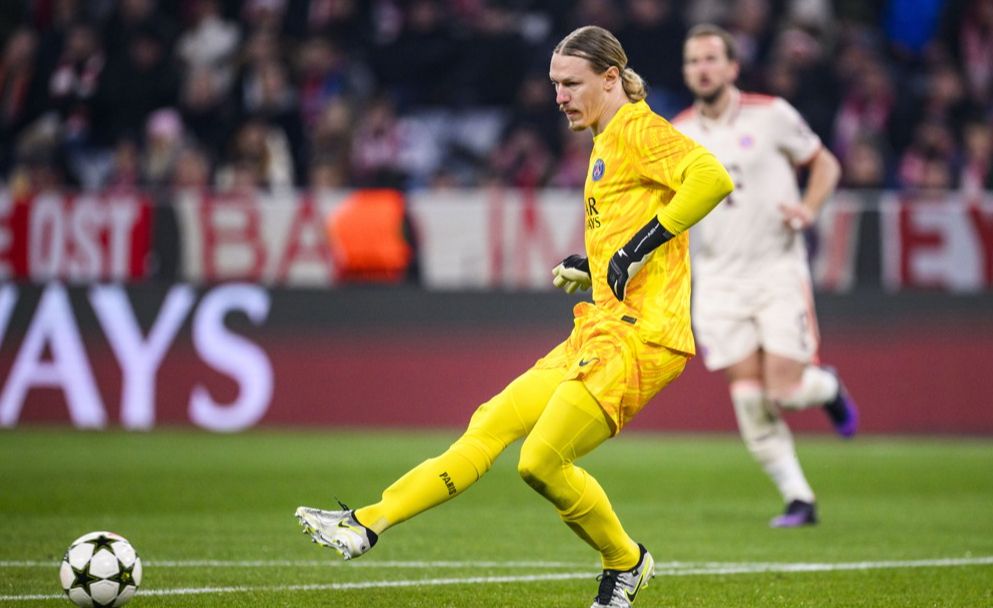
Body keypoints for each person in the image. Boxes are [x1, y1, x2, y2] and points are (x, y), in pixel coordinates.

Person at [296, 25, 733, 608]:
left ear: (610, 78)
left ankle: (626, 562)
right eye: (554, 85)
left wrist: (636, 247)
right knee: (491, 422)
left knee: (540, 462)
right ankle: (367, 522)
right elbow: (632, 237)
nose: (559, 96)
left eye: (571, 83)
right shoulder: (606, 140)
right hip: (602, 326)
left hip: (643, 339)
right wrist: (594, 264)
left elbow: (712, 179)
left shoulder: (637, 128)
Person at [672, 24, 858, 528]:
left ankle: (828, 388)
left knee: (785, 391)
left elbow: (825, 165)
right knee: (749, 396)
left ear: (732, 67)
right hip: (717, 280)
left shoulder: (772, 115)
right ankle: (799, 499)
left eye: (711, 59)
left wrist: (808, 208)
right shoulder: (677, 134)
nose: (702, 69)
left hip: (776, 269)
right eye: (693, 61)